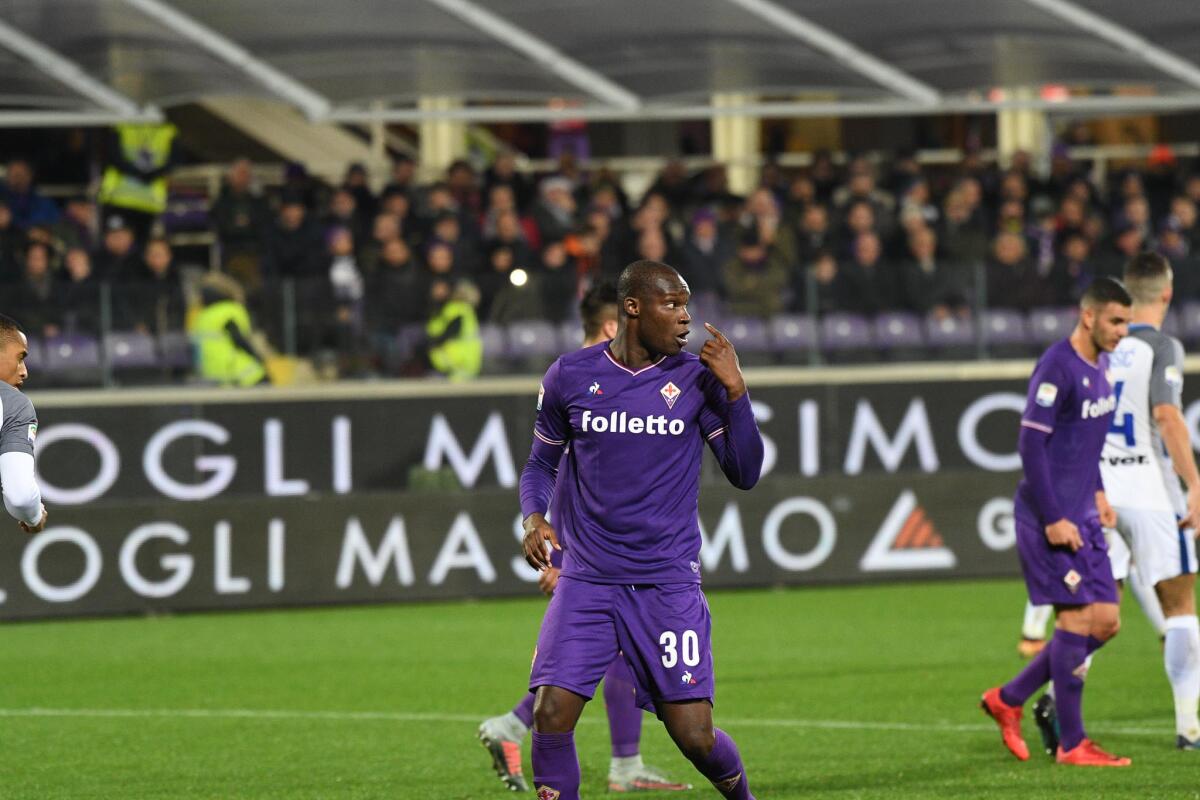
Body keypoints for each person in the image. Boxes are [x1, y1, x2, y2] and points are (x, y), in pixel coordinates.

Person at [520, 260, 765, 800]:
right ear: (633, 308)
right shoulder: (570, 376)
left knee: (695, 736)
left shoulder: (696, 380)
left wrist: (737, 391)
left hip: (665, 584)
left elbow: (745, 473)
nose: (685, 318)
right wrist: (534, 515)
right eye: (672, 305)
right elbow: (541, 464)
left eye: (686, 305)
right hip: (587, 580)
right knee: (551, 713)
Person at [479, 282, 690, 793]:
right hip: (590, 560)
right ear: (617, 323)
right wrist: (565, 557)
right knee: (606, 656)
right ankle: (606, 758)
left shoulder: (618, 377)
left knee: (615, 655)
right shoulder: (579, 380)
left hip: (599, 557)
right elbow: (570, 478)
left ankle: (604, 755)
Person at [980, 277, 1133, 767]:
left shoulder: (1103, 364)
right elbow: (1031, 444)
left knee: (1106, 622)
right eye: (1115, 320)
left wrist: (1099, 492)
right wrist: (1052, 519)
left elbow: (1085, 442)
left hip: (1085, 513)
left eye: (1126, 321)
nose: (1122, 331)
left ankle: (1008, 698)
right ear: (1088, 316)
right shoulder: (1057, 366)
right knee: (1074, 620)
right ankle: (1072, 743)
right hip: (1049, 518)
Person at [1099, 252, 1200, 749]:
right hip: (1153, 491)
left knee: (1093, 615)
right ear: (1167, 292)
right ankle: (1189, 726)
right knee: (1180, 605)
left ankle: (1055, 703)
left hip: (1099, 495)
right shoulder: (1161, 346)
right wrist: (1196, 482)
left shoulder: (1096, 347)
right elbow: (1167, 416)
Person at [0, 315, 48, 535]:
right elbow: (20, 496)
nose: (24, 371)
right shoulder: (12, 403)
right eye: (20, 358)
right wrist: (34, 516)